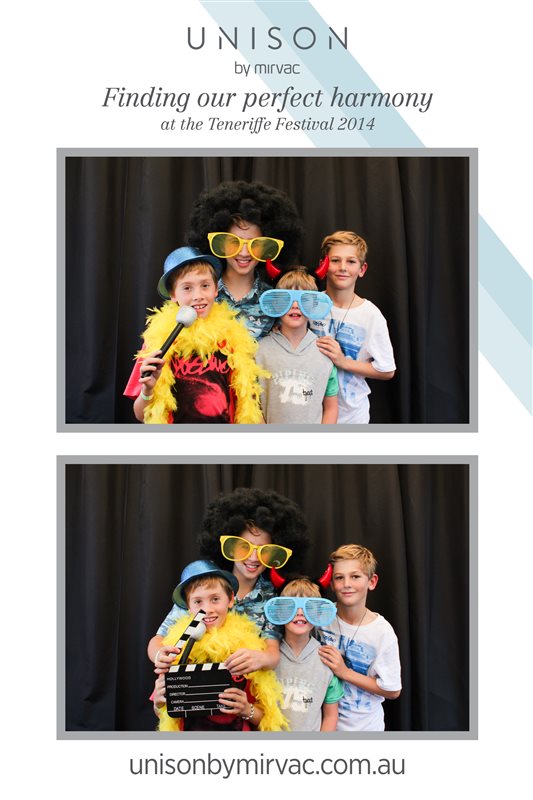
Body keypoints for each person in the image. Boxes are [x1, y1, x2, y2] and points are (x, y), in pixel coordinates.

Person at [148, 487, 310, 675]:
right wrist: (159, 654)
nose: (253, 558)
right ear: (229, 547)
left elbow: (273, 653)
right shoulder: (204, 586)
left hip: (241, 688)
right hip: (194, 683)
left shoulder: (270, 598)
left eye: (264, 551)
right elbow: (157, 640)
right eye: (244, 547)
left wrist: (261, 658)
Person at [123, 246, 266, 423]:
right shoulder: (158, 341)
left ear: (216, 289)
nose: (198, 295)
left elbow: (249, 407)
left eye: (205, 285)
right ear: (173, 294)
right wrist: (147, 390)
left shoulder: (233, 338)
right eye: (187, 288)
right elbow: (140, 414)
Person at [153, 560, 289, 732]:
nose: (207, 609)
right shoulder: (178, 649)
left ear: (230, 599)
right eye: (198, 602)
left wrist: (247, 709)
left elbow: (267, 718)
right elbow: (162, 713)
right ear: (188, 607)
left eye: (215, 599)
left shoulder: (246, 650)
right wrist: (159, 702)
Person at [186, 180, 304, 339]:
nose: (244, 252)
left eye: (255, 244)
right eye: (234, 242)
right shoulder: (200, 296)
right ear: (221, 244)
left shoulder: (275, 301)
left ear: (265, 247)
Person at [309, 231, 396, 424]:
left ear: (362, 269)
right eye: (335, 260)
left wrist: (342, 361)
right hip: (309, 414)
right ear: (323, 265)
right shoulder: (309, 304)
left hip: (352, 417)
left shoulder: (370, 315)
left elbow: (387, 370)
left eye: (351, 261)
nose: (342, 267)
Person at [317, 544, 402, 731]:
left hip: (365, 728)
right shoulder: (319, 617)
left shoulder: (382, 632)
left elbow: (393, 690)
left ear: (372, 582)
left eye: (355, 576)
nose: (346, 584)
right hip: (322, 726)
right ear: (331, 584)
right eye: (339, 577)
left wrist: (344, 672)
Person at [255, 269, 338, 424]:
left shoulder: (324, 352)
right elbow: (252, 404)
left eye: (304, 299)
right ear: (276, 303)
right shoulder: (260, 351)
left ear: (313, 305)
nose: (295, 305)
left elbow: (331, 408)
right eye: (286, 299)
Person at [264, 577, 344, 731]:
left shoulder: (327, 660)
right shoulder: (268, 656)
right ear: (280, 612)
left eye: (309, 607)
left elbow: (331, 716)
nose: (300, 612)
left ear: (318, 614)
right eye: (291, 606)